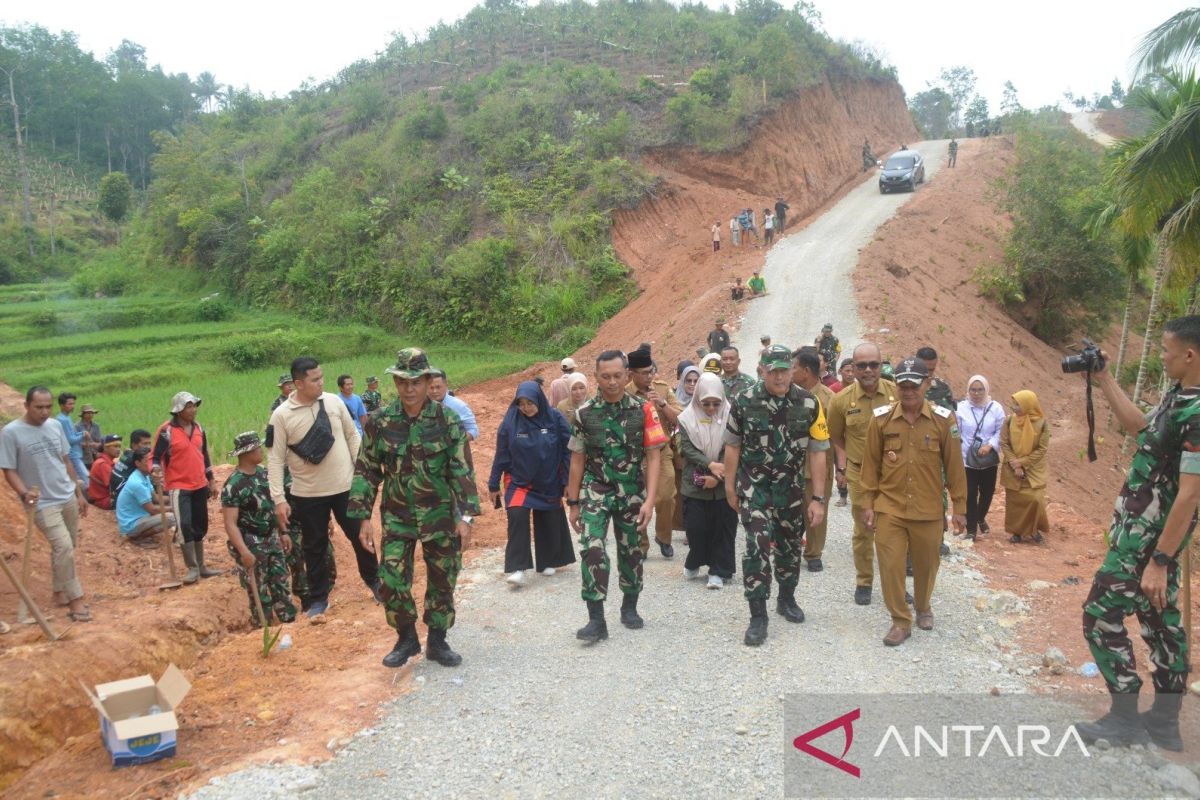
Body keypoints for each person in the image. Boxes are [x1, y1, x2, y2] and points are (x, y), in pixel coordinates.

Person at [1077, 317, 1200, 749]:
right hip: (1141, 537)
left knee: (1098, 615)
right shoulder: (1181, 398)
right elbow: (1140, 429)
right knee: (1160, 621)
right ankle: (1165, 722)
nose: (1162, 356)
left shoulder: (1199, 414)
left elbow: (1189, 496)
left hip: (1147, 543)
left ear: (1189, 355)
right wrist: (1104, 379)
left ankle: (1125, 718)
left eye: (1167, 350)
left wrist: (1160, 561)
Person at [351, 348, 480, 668]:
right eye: (402, 382)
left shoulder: (447, 420)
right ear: (395, 382)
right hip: (397, 516)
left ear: (427, 381)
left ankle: (437, 640)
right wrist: (362, 517)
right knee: (391, 578)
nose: (409, 389)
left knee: (443, 577)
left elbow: (462, 470)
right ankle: (406, 638)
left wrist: (465, 516)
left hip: (440, 515)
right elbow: (367, 469)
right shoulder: (381, 422)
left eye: (416, 382)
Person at [724, 345, 828, 646]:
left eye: (785, 370)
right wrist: (730, 487)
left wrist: (818, 498)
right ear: (763, 370)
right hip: (754, 489)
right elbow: (732, 446)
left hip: (791, 491)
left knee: (790, 546)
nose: (780, 376)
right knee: (756, 545)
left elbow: (818, 451)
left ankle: (786, 598)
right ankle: (758, 615)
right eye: (774, 371)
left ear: (793, 370)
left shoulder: (809, 403)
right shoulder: (744, 401)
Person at [860, 358, 967, 646]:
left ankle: (923, 606)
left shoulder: (945, 420)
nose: (907, 391)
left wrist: (960, 508)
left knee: (927, 564)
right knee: (891, 565)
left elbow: (955, 468)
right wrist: (868, 503)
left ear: (927, 384)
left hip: (928, 509)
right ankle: (899, 619)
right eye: (902, 385)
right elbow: (870, 466)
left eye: (914, 385)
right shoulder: (880, 419)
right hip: (890, 507)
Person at [269, 356, 381, 618]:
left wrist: (361, 472)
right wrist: (278, 498)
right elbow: (274, 458)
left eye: (321, 377)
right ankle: (319, 598)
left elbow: (353, 436)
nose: (321, 382)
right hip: (308, 494)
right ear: (298, 383)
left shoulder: (333, 402)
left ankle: (376, 582)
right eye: (315, 379)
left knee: (362, 537)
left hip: (345, 487)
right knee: (314, 546)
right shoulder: (281, 416)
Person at [566, 349, 666, 642]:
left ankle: (629, 606)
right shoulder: (584, 413)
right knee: (592, 548)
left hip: (632, 491)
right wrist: (573, 503)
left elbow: (654, 456)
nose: (612, 382)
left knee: (631, 550)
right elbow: (576, 460)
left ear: (627, 376)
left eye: (617, 376)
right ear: (596, 376)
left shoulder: (644, 410)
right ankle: (596, 619)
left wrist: (650, 501)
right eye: (605, 376)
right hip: (595, 490)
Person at [1, 386, 91, 621]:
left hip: (66, 494)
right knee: (63, 547)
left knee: (67, 545)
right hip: (42, 502)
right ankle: (76, 600)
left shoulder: (55, 426)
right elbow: (8, 469)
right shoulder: (11, 432)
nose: (44, 412)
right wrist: (23, 493)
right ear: (26, 406)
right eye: (38, 407)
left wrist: (78, 493)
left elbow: (66, 460)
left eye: (47, 407)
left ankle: (59, 592)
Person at [827, 342, 898, 606]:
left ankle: (896, 583)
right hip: (860, 476)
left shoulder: (896, 394)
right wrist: (843, 468)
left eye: (873, 365)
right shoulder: (841, 401)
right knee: (865, 529)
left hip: (893, 475)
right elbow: (836, 437)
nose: (868, 370)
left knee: (896, 531)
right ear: (853, 369)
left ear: (881, 366)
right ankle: (864, 581)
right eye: (861, 365)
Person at [488, 381, 576, 586]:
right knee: (517, 515)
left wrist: (567, 481)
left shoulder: (554, 418)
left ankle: (549, 560)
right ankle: (518, 568)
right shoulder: (510, 422)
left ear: (540, 400)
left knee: (549, 518)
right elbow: (501, 454)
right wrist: (493, 483)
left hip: (549, 479)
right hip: (519, 481)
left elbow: (568, 449)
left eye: (530, 403)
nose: (526, 408)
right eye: (521, 404)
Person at [221, 431, 296, 628]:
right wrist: (244, 552)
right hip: (251, 542)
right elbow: (230, 523)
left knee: (281, 582)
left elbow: (274, 507)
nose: (260, 451)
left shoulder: (264, 474)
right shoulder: (233, 485)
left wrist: (283, 532)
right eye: (256, 448)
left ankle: (290, 623)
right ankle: (263, 628)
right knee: (258, 589)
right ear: (245, 453)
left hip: (271, 538)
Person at [153, 391, 221, 584]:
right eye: (188, 407)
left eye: (194, 406)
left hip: (199, 483)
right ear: (178, 410)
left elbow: (204, 456)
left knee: (201, 524)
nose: (193, 410)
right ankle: (191, 567)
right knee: (184, 525)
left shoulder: (199, 428)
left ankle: (201, 565)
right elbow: (155, 457)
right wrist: (155, 469)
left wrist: (211, 479)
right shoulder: (166, 431)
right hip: (178, 485)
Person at [678, 373, 736, 589]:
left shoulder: (731, 416)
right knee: (696, 528)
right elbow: (686, 448)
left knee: (723, 528)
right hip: (695, 484)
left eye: (716, 403)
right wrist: (710, 465)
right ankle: (695, 560)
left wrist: (718, 476)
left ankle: (718, 571)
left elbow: (733, 447)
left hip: (723, 483)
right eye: (706, 404)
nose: (711, 409)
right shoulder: (686, 418)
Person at [625, 344, 682, 558]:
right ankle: (641, 544)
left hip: (661, 450)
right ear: (631, 374)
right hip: (634, 453)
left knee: (667, 496)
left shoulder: (662, 389)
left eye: (651, 371)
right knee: (636, 499)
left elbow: (680, 418)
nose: (649, 376)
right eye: (644, 373)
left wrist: (663, 404)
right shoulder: (623, 393)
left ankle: (663, 537)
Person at [792, 348, 835, 572]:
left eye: (794, 368)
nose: (790, 372)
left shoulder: (828, 399)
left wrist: (841, 469)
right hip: (792, 464)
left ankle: (814, 552)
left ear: (806, 371)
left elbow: (836, 436)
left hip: (818, 466)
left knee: (817, 507)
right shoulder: (789, 395)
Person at [955, 376, 1005, 540]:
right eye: (973, 390)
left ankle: (980, 517)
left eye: (980, 389)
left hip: (988, 458)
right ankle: (971, 530)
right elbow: (957, 431)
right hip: (966, 458)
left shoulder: (995, 408)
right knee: (970, 494)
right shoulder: (961, 408)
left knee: (988, 492)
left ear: (986, 390)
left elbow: (1000, 431)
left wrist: (990, 445)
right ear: (968, 390)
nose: (976, 393)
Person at [999, 390, 1050, 544]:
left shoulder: (1042, 423)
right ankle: (1017, 533)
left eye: (1018, 404)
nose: (1014, 407)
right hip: (1012, 469)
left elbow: (1042, 449)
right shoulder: (1009, 421)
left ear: (1029, 405)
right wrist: (1015, 464)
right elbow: (1004, 443)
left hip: (1033, 470)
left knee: (1036, 500)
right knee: (1015, 503)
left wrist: (1023, 463)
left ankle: (1034, 530)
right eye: (1014, 404)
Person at [116, 447, 176, 542]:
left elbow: (156, 498)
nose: (151, 464)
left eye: (151, 461)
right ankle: (135, 537)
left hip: (140, 517)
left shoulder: (144, 476)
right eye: (147, 461)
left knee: (172, 502)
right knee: (171, 518)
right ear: (137, 463)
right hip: (131, 524)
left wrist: (174, 498)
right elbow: (152, 509)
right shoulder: (137, 483)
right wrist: (174, 508)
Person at [428, 368, 479, 440]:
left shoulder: (459, 406)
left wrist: (455, 442)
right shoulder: (419, 405)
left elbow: (473, 430)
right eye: (431, 388)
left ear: (446, 385)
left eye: (438, 387)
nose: (435, 391)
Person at [55, 392, 88, 490]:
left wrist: (82, 433)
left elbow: (72, 434)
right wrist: (83, 434)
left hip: (76, 453)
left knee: (77, 477)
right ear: (61, 405)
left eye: (73, 404)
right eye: (70, 404)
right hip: (72, 454)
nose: (73, 406)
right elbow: (70, 440)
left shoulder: (66, 417)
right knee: (85, 477)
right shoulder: (63, 420)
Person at [109, 428, 151, 506]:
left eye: (149, 443)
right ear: (134, 445)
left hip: (116, 492)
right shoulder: (136, 459)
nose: (148, 447)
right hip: (122, 498)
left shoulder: (127, 452)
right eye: (145, 444)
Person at [86, 434, 123, 509]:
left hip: (105, 498)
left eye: (119, 446)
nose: (118, 449)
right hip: (104, 500)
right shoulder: (103, 464)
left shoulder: (107, 461)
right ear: (105, 448)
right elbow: (115, 486)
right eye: (115, 446)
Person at [917, 347, 955, 411]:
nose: (928, 374)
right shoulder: (905, 386)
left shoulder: (943, 388)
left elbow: (951, 417)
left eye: (931, 370)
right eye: (924, 369)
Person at [76, 404, 102, 471]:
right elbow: (76, 443)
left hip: (95, 455)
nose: (90, 415)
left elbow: (99, 441)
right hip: (83, 456)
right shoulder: (77, 426)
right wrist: (91, 444)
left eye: (92, 413)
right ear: (83, 414)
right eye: (88, 413)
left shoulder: (96, 426)